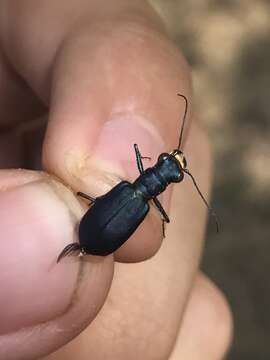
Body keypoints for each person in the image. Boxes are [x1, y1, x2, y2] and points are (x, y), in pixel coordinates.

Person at [0, 1, 232, 359]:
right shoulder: (143, 206)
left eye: (170, 166)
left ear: (157, 172)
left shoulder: (129, 188)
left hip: (99, 228)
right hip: (100, 230)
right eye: (170, 164)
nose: (169, 164)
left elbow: (129, 173)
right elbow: (158, 216)